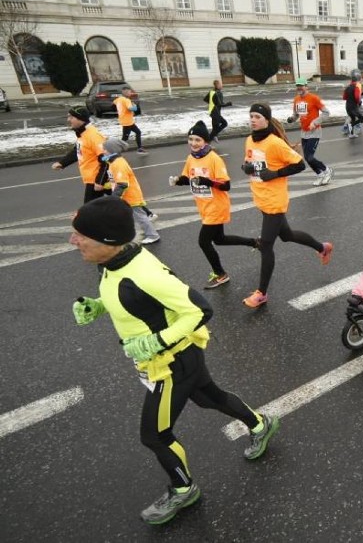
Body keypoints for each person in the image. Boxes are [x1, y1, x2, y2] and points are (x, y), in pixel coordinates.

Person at [69, 197, 280, 526]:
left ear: (108, 241)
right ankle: (260, 424)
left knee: (154, 435)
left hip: (171, 363)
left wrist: (155, 342)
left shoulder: (145, 274)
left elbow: (199, 311)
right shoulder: (114, 264)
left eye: (81, 235)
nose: (73, 240)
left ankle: (184, 489)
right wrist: (98, 306)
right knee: (209, 397)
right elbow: (130, 298)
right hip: (175, 359)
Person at [242, 103, 333, 308]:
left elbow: (299, 164)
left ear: (266, 119)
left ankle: (262, 293)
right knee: (287, 235)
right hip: (261, 198)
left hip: (275, 200)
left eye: (257, 116)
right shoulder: (249, 139)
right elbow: (250, 162)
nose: (253, 119)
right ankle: (322, 248)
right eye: (251, 116)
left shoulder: (274, 143)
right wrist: (246, 167)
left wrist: (275, 174)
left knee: (266, 245)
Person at [169, 120, 258, 288]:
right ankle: (254, 242)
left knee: (204, 242)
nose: (193, 143)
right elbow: (189, 178)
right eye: (191, 139)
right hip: (203, 206)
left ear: (205, 142)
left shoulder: (214, 159)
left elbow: (226, 185)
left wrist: (207, 181)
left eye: (197, 140)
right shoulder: (191, 158)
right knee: (220, 239)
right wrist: (178, 181)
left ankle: (221, 274)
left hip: (216, 206)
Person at [94, 138, 160, 244]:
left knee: (140, 217)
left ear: (112, 150)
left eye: (105, 149)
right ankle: (121, 235)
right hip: (125, 197)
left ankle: (153, 235)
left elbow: (122, 184)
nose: (103, 151)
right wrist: (107, 186)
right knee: (135, 217)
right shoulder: (113, 162)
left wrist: (114, 199)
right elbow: (116, 180)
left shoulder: (118, 164)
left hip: (130, 196)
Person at [51, 107, 107, 203]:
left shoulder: (93, 136)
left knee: (89, 212)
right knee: (99, 210)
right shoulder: (83, 134)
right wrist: (62, 163)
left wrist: (100, 182)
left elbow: (106, 160)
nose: (68, 120)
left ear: (80, 119)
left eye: (71, 117)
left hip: (96, 180)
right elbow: (78, 150)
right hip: (92, 179)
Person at [287, 77, 333, 186]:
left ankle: (327, 171)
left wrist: (315, 122)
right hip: (304, 133)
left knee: (310, 157)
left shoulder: (314, 98)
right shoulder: (296, 100)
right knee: (307, 158)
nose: (299, 88)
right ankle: (320, 174)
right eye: (297, 86)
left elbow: (326, 113)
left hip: (315, 132)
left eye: (301, 85)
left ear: (306, 87)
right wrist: (291, 119)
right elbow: (297, 114)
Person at [115, 86, 146, 154]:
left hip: (127, 121)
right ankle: (115, 152)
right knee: (125, 138)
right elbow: (131, 109)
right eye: (129, 92)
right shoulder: (126, 100)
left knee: (138, 132)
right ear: (125, 92)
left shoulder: (118, 99)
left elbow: (114, 104)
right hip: (127, 122)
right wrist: (134, 106)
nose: (130, 93)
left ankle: (140, 148)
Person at [343, 70, 363, 138]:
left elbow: (344, 97)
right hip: (354, 107)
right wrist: (359, 102)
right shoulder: (356, 87)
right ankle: (350, 126)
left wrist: (350, 97)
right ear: (357, 80)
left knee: (353, 119)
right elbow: (357, 97)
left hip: (348, 106)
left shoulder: (348, 87)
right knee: (361, 119)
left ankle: (351, 134)